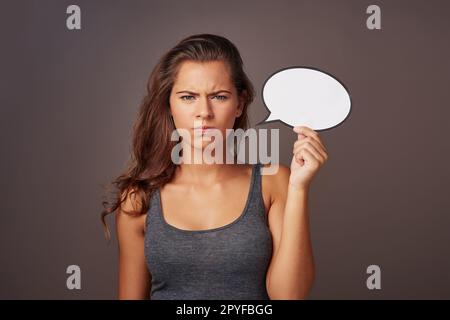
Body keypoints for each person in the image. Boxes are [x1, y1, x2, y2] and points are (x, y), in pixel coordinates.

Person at [101, 33, 329, 300]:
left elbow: (289, 297)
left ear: (239, 104)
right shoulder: (138, 199)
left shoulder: (273, 182)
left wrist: (299, 188)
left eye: (219, 97)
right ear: (169, 105)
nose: (204, 112)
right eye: (188, 97)